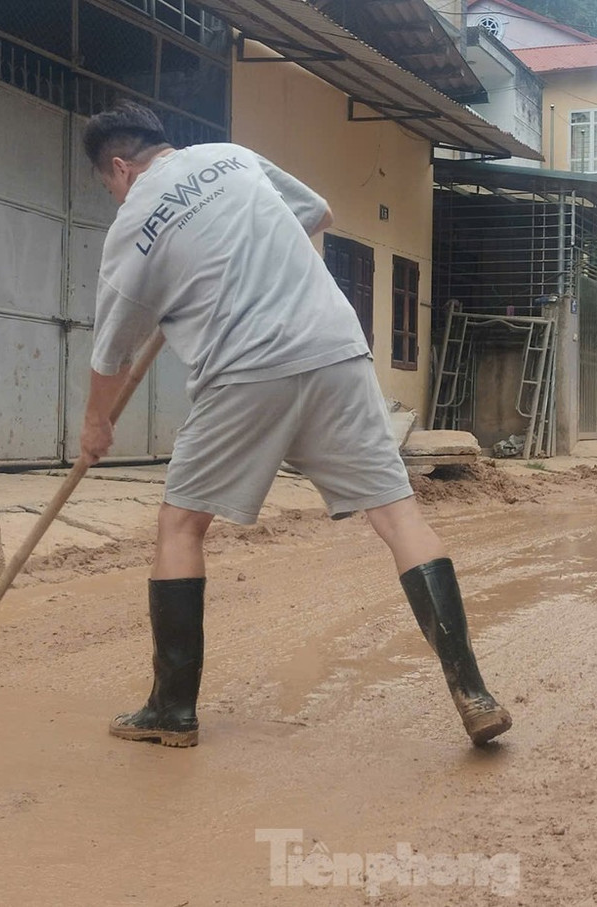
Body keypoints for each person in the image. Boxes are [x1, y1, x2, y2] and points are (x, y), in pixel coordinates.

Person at [79, 101, 511, 749]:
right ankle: (473, 692)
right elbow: (319, 213)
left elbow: (111, 354)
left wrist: (95, 423)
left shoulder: (131, 227)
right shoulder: (232, 156)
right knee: (399, 517)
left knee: (180, 523)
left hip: (244, 368)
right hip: (335, 344)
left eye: (108, 185)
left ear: (118, 166)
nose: (114, 195)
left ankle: (172, 708)